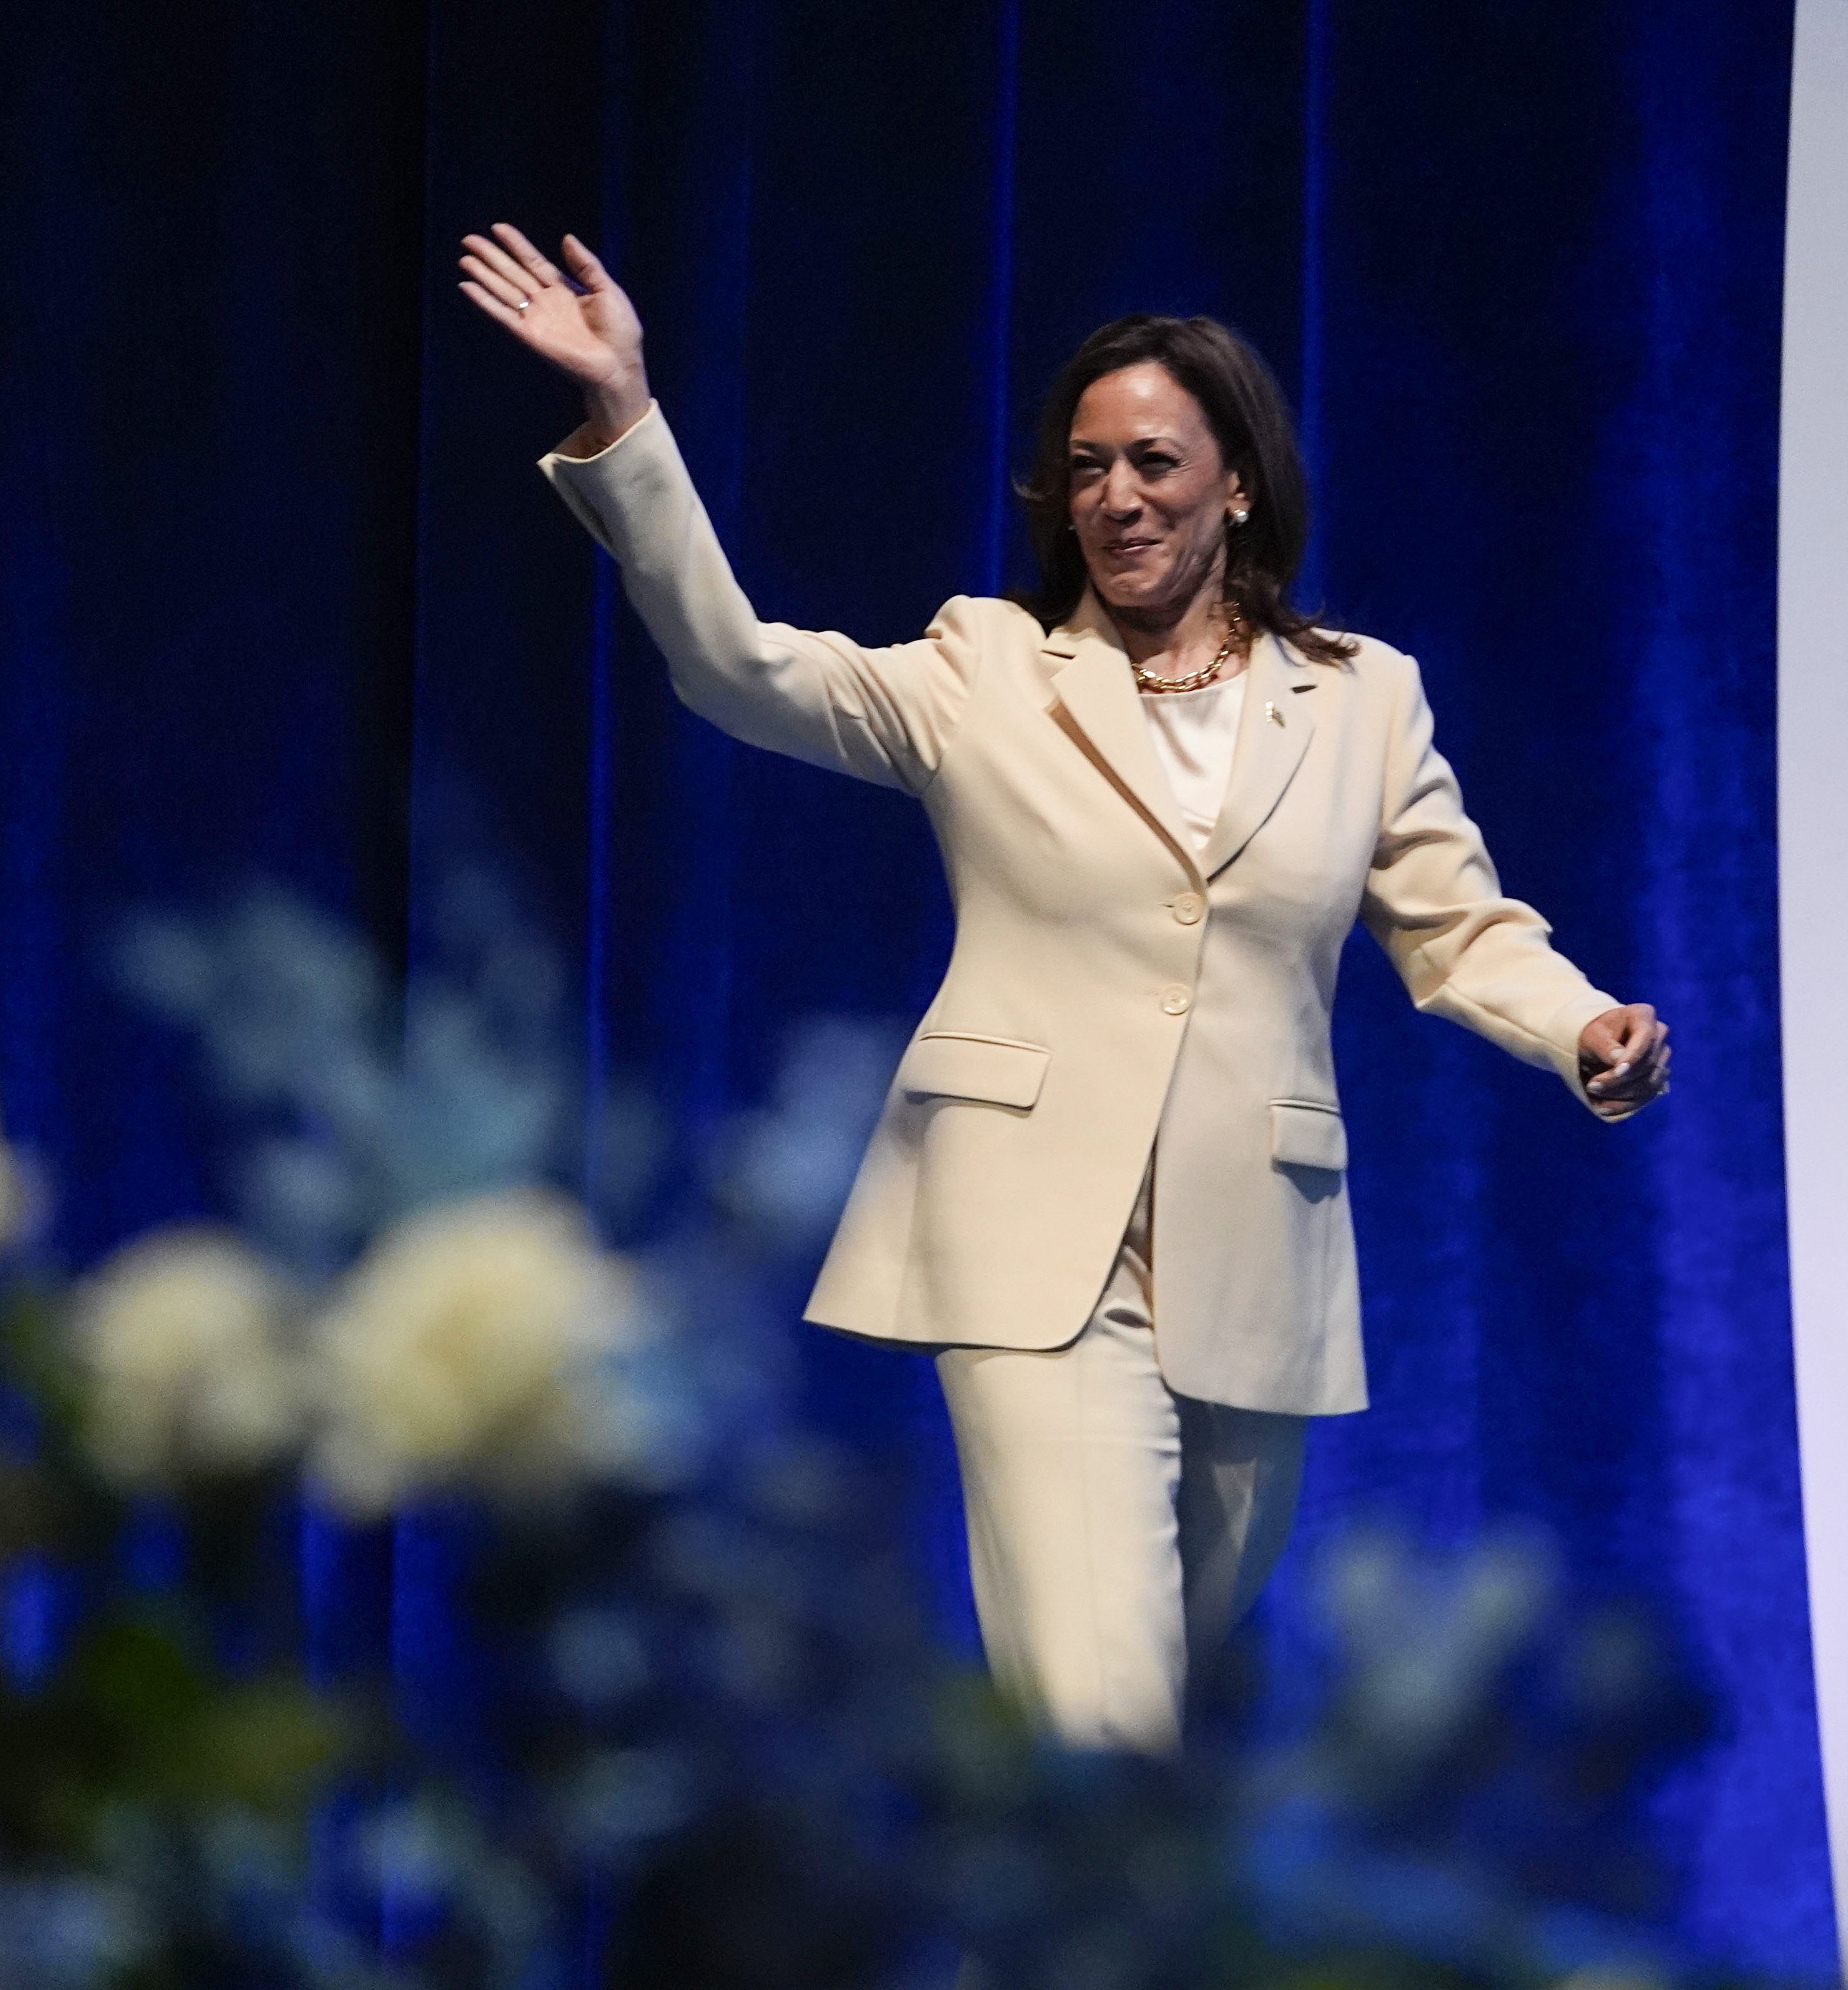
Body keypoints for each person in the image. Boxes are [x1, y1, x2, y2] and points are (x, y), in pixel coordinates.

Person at [458, 223, 1670, 1755]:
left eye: (1153, 463)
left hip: (1252, 1260)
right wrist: (623, 416)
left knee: (1123, 1781)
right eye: (1086, 467)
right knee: (1107, 1725)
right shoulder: (985, 669)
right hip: (1033, 1251)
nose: (1114, 497)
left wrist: (1582, 1028)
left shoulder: (1361, 694)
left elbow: (1458, 925)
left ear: (1238, 480)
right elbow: (737, 667)